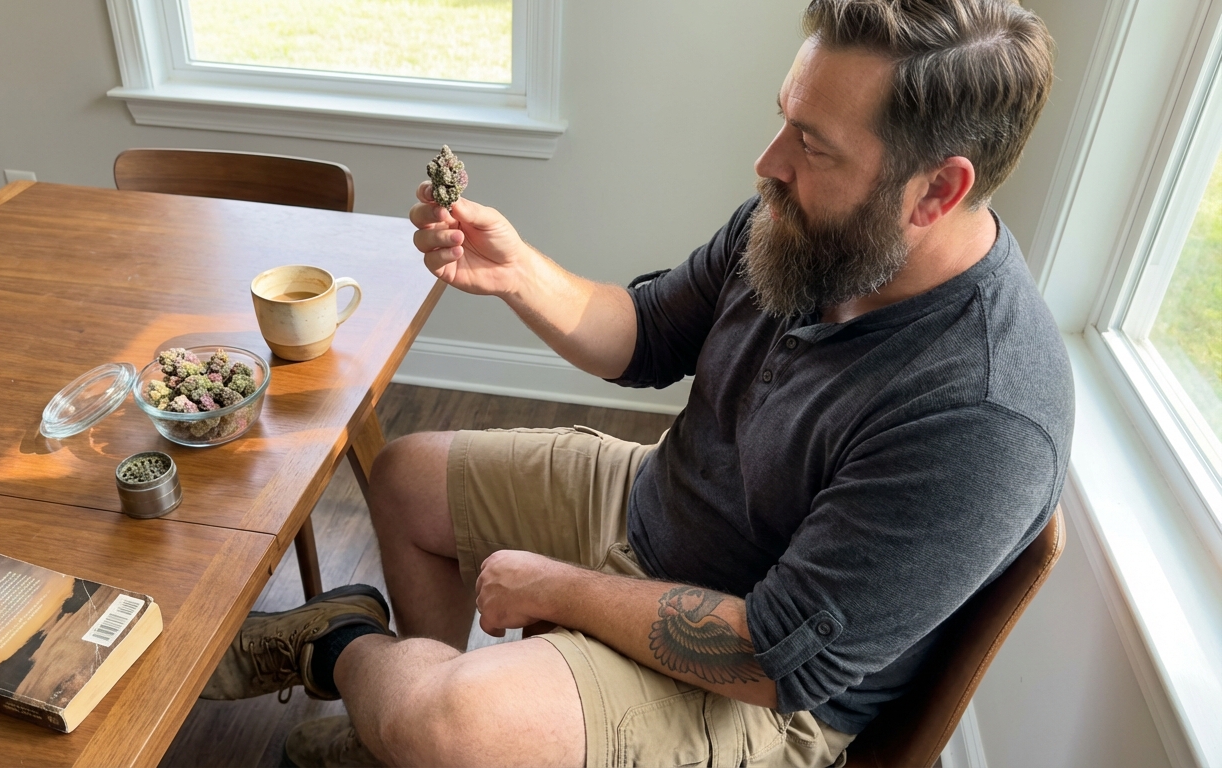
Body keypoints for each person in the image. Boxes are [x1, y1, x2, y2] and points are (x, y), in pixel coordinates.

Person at [201, 1, 1071, 766]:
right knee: (403, 481)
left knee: (451, 726)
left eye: (812, 146)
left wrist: (552, 588)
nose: (768, 163)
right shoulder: (805, 225)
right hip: (660, 506)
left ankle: (345, 651)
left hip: (759, 686)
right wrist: (514, 272)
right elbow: (648, 334)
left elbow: (773, 655)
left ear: (938, 191)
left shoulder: (981, 412)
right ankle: (394, 733)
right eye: (784, 120)